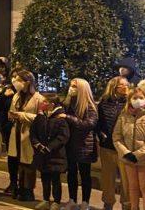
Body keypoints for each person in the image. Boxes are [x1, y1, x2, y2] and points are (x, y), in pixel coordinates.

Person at [61, 78, 98, 210]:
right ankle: (72, 200)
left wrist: (68, 117)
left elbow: (89, 124)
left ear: (82, 89)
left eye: (75, 86)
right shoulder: (68, 103)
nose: (71, 88)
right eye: (71, 86)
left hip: (84, 145)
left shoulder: (89, 106)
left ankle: (85, 202)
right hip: (70, 144)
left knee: (85, 175)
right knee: (71, 173)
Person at [8, 70, 44, 202]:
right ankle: (19, 188)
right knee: (18, 162)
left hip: (29, 134)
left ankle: (28, 191)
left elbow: (41, 118)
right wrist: (12, 115)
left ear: (27, 82)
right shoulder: (17, 96)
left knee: (28, 163)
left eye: (18, 80)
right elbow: (12, 110)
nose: (15, 83)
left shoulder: (39, 98)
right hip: (16, 131)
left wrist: (22, 116)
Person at [30, 93, 70, 210]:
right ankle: (45, 199)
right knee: (44, 178)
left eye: (45, 102)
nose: (42, 104)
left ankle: (56, 201)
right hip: (41, 154)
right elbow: (33, 133)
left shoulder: (60, 118)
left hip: (55, 155)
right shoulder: (40, 116)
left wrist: (49, 147)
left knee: (55, 179)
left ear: (52, 104)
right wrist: (37, 144)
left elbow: (63, 136)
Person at [98, 76, 131, 210]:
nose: (126, 87)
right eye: (122, 85)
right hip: (107, 147)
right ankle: (108, 203)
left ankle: (127, 205)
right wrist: (101, 135)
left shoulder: (131, 103)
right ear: (114, 88)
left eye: (127, 84)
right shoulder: (104, 103)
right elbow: (98, 123)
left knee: (126, 181)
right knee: (108, 179)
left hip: (125, 148)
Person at [113, 81, 145, 210]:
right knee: (132, 187)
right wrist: (126, 152)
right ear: (130, 99)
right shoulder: (123, 115)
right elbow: (116, 137)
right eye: (135, 98)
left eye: (141, 98)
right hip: (128, 159)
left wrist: (137, 154)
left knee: (144, 187)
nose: (138, 100)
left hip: (143, 159)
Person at [0, 69, 17, 195]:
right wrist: (4, 95)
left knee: (21, 159)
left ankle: (24, 186)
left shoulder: (24, 93)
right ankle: (13, 182)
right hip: (7, 128)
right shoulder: (7, 89)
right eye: (13, 77)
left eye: (17, 78)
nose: (15, 80)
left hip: (20, 130)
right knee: (11, 157)